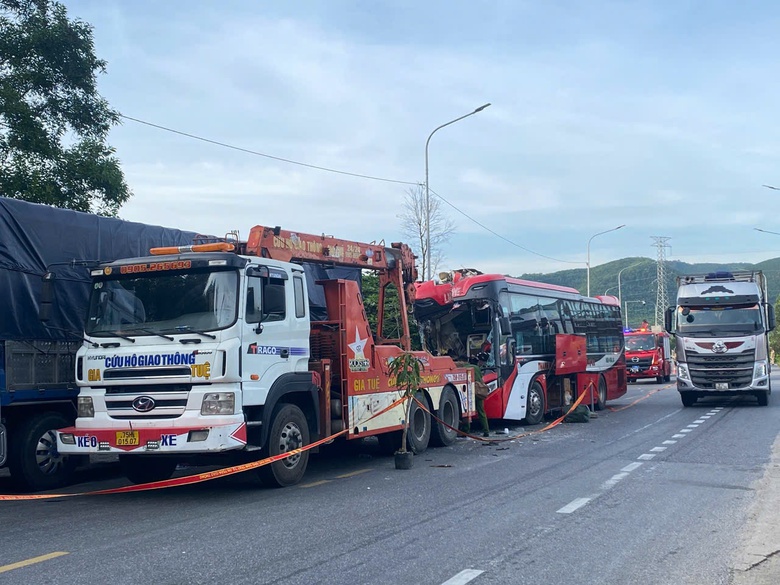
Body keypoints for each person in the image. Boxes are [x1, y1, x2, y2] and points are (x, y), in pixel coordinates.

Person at [456, 355, 490, 437]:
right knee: (481, 411)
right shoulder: (477, 368)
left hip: (468, 392)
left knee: (467, 412)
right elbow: (481, 379)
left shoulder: (463, 368)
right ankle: (486, 431)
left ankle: (466, 431)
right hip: (478, 392)